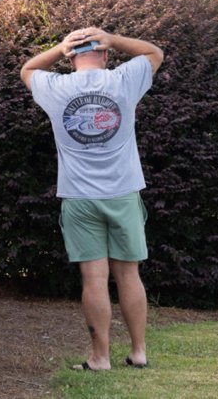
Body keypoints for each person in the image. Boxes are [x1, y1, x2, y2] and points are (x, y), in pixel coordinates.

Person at [20, 27, 163, 371]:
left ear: (71, 59)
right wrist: (113, 38)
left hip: (79, 197)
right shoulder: (123, 79)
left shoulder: (56, 87)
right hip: (123, 192)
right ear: (105, 55)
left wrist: (58, 47)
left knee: (94, 280)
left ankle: (100, 358)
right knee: (129, 275)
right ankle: (139, 351)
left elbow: (26, 69)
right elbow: (154, 53)